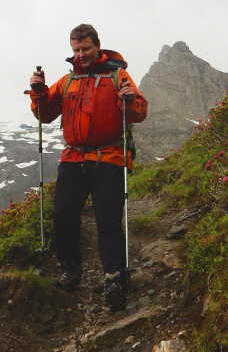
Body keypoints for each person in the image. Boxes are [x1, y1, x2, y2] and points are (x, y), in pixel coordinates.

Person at [26, 24, 147, 311]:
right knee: (64, 214)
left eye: (85, 49)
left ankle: (114, 277)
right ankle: (71, 270)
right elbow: (45, 115)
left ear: (97, 47)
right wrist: (38, 92)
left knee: (107, 219)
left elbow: (139, 112)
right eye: (76, 50)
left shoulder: (118, 75)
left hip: (110, 158)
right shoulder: (68, 81)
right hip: (73, 159)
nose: (80, 54)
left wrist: (129, 99)